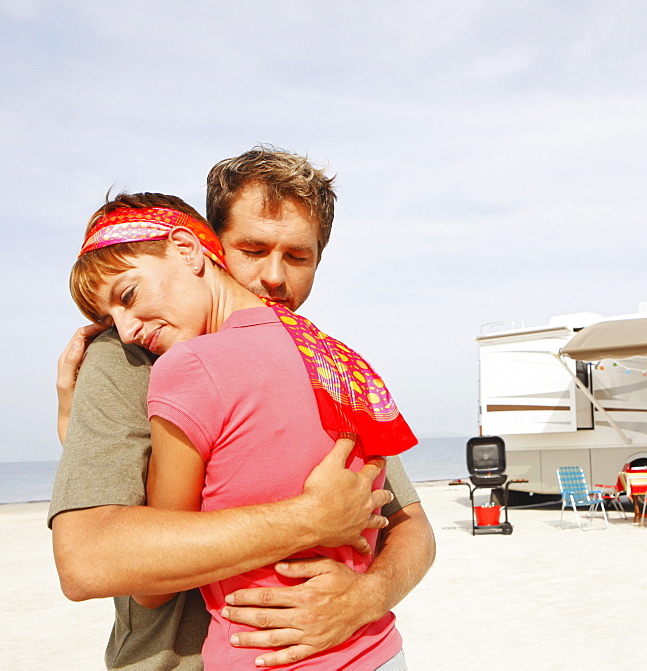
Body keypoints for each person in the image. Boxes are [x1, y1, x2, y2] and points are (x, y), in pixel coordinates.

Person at [50, 147, 435, 669]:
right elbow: (87, 560)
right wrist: (308, 520)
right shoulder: (126, 357)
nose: (275, 278)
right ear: (207, 248)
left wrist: (366, 597)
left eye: (298, 257)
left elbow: (411, 525)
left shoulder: (322, 360)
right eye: (252, 250)